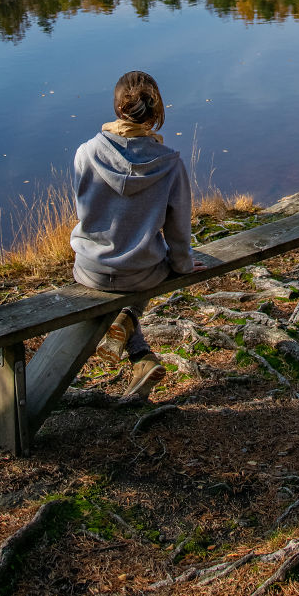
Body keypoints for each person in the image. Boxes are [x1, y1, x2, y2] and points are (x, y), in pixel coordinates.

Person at [71, 70, 197, 400]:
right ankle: (130, 321)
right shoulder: (170, 164)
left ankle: (141, 357)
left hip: (90, 270)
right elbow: (178, 232)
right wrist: (183, 266)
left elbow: (85, 212)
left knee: (127, 265)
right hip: (142, 274)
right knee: (150, 263)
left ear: (117, 109)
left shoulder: (86, 153)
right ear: (156, 114)